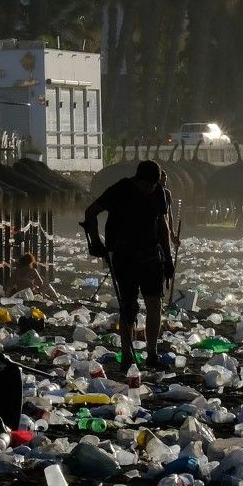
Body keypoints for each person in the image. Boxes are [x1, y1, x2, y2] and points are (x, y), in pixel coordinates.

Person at [82, 159, 173, 374]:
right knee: (128, 307)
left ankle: (152, 353)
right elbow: (91, 211)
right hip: (124, 257)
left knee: (154, 304)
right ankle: (127, 356)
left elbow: (162, 224)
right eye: (146, 185)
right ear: (137, 180)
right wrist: (95, 241)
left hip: (151, 255)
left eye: (152, 185)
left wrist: (168, 258)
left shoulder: (158, 192)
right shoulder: (120, 190)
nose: (149, 189)